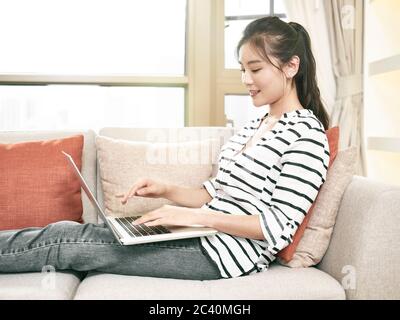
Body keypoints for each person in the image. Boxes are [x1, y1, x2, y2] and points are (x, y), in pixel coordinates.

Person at [0, 16, 330, 280]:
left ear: (291, 67)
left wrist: (195, 218)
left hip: (220, 255)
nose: (245, 79)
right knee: (69, 232)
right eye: (242, 69)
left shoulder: (307, 136)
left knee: (65, 244)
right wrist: (167, 190)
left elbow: (276, 228)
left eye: (255, 69)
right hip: (201, 235)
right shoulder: (254, 127)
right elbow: (214, 193)